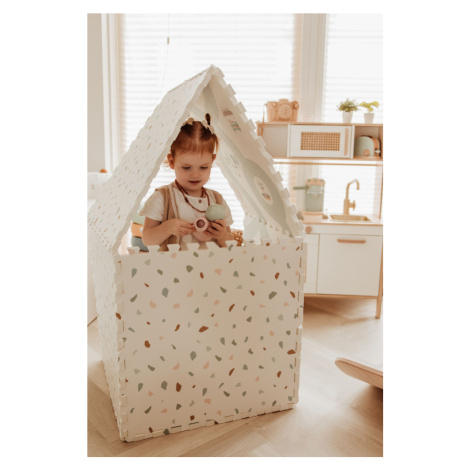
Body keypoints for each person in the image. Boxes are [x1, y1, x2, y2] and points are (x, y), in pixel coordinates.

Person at [140, 114, 234, 251]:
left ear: (212, 161)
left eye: (203, 167)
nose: (195, 175)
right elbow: (147, 240)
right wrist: (167, 228)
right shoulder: (163, 198)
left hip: (211, 264)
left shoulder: (217, 200)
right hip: (174, 264)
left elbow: (230, 244)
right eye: (186, 167)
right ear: (172, 162)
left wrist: (222, 235)